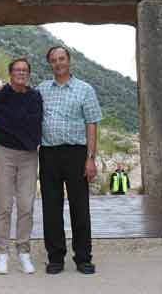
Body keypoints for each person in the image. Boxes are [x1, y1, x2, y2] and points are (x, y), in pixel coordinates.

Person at [37, 45, 102, 275]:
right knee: (51, 208)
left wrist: (90, 158)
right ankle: (55, 258)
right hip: (49, 154)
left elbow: (91, 123)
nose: (58, 63)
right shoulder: (42, 89)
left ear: (69, 61)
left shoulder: (85, 90)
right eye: (53, 60)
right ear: (50, 64)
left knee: (80, 207)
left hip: (76, 154)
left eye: (62, 58)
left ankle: (83, 258)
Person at [0, 57, 43, 275]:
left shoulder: (35, 97)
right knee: (4, 206)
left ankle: (24, 252)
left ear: (29, 74)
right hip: (3, 152)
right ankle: (2, 254)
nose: (21, 73)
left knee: (26, 206)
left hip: (29, 155)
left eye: (25, 70)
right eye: (17, 70)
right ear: (10, 73)